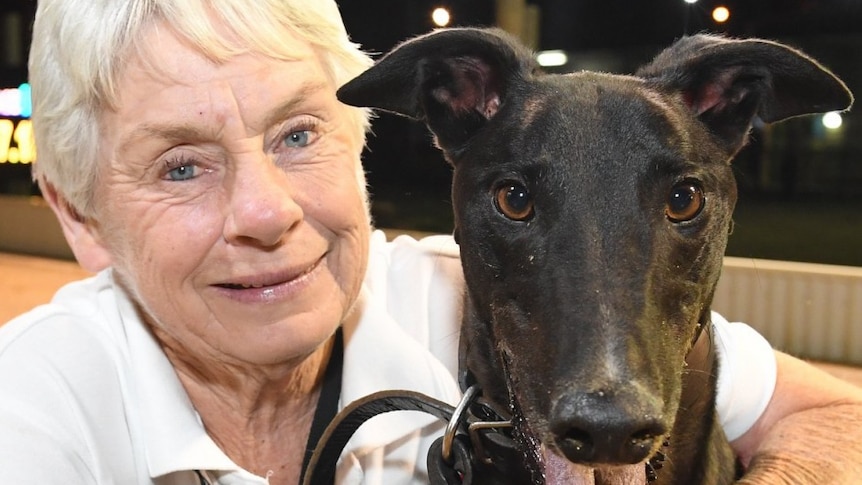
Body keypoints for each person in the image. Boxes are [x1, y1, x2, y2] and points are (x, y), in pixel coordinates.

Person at [1, 0, 861, 483]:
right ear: (79, 216)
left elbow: (834, 415)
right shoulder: (33, 411)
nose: (266, 213)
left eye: (299, 134)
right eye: (182, 166)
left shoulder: (446, 290)